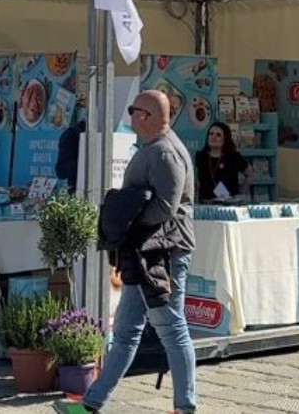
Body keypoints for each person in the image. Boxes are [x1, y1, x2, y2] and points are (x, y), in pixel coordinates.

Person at [53, 89, 197, 414]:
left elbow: (165, 206)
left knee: (171, 327)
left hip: (163, 254)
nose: (129, 115)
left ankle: (185, 407)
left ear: (145, 116)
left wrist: (126, 222)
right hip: (146, 251)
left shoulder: (164, 153)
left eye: (133, 110)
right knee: (126, 331)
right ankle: (92, 403)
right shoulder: (153, 148)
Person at [194, 122, 250, 202]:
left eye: (218, 135)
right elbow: (196, 181)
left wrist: (242, 192)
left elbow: (249, 174)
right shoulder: (201, 156)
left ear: (225, 138)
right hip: (206, 203)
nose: (213, 137)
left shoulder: (233, 156)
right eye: (211, 134)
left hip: (228, 205)